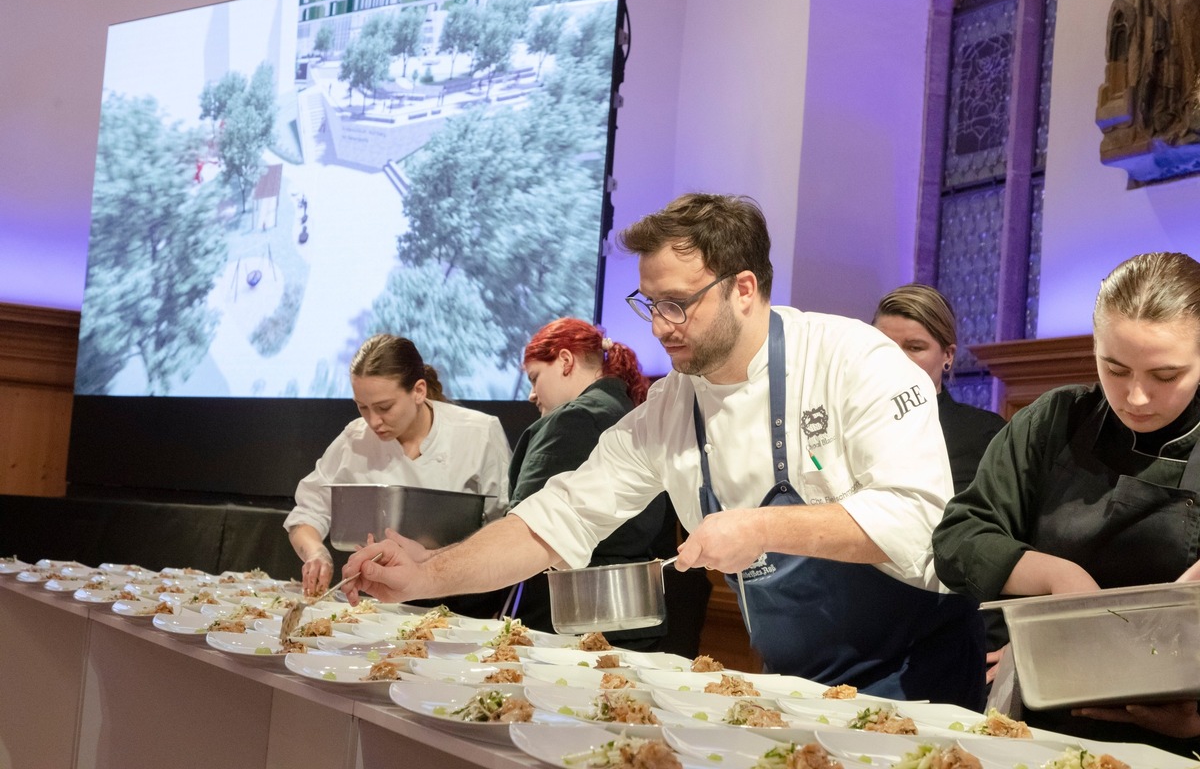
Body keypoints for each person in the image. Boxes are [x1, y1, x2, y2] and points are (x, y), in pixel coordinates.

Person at [343, 193, 985, 708]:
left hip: (914, 679)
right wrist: (427, 574)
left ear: (742, 287)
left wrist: (762, 527)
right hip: (794, 686)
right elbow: (557, 517)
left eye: (677, 304)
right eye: (650, 303)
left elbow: (919, 520)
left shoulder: (854, 360)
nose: (657, 326)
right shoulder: (671, 406)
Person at [933, 252, 1200, 751]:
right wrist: (1057, 582)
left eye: (1165, 376)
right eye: (1115, 368)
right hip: (1039, 723)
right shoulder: (1053, 422)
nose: (1136, 397)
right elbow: (959, 538)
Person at [284, 334, 511, 597]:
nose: (373, 421)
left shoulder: (479, 433)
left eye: (384, 407)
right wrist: (316, 553)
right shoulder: (355, 439)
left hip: (461, 596)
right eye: (362, 408)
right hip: (377, 599)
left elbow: (504, 526)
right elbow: (307, 513)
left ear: (418, 391)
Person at [505, 317, 669, 649]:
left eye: (535, 378)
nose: (532, 395)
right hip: (638, 618)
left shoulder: (572, 418)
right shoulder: (631, 413)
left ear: (565, 361)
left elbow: (527, 523)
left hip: (573, 617)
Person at [873, 284, 1007, 496]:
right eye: (883, 346)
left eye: (914, 347)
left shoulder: (986, 434)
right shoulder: (846, 423)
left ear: (948, 355)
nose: (895, 358)